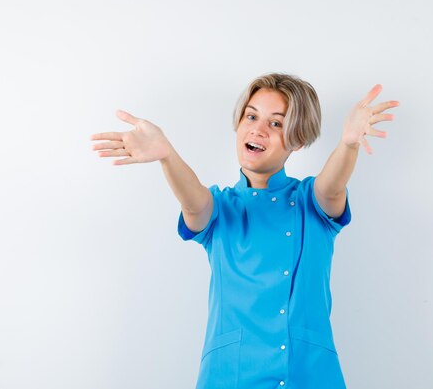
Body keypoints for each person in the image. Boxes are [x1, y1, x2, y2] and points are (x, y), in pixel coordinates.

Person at [91, 73, 399, 389]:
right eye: (251, 116)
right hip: (231, 376)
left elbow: (332, 187)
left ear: (299, 138)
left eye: (276, 123)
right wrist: (167, 156)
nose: (258, 129)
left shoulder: (311, 202)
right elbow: (194, 204)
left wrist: (348, 144)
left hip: (308, 375)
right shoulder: (220, 206)